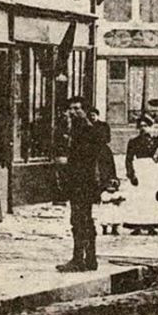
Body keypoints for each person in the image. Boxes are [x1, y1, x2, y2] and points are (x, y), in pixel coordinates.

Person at [57, 96, 105, 272]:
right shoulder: (79, 129)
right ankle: (90, 259)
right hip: (81, 182)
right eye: (71, 108)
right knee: (85, 221)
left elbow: (89, 160)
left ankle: (79, 260)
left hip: (83, 183)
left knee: (79, 220)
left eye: (77, 109)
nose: (73, 112)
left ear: (85, 111)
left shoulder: (87, 131)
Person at [124, 112, 158, 187]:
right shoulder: (133, 142)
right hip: (141, 171)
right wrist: (132, 175)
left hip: (156, 172)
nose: (143, 128)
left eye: (145, 126)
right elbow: (128, 160)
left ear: (150, 127)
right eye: (140, 126)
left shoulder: (157, 140)